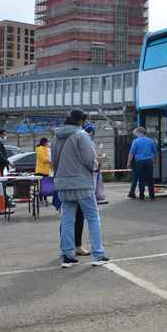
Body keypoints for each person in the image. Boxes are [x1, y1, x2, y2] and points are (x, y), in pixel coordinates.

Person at [52, 109, 109, 268]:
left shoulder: (56, 137)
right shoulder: (81, 135)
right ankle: (98, 254)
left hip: (62, 182)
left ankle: (67, 256)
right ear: (81, 121)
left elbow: (53, 161)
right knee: (92, 217)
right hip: (82, 182)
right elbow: (90, 160)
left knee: (67, 218)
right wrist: (96, 165)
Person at [127, 126, 156, 200]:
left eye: (136, 133)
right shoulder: (150, 140)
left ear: (140, 132)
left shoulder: (136, 141)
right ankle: (152, 196)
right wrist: (154, 160)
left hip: (139, 162)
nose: (135, 135)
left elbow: (131, 153)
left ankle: (141, 196)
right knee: (150, 179)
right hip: (149, 161)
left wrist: (128, 162)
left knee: (141, 179)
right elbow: (154, 152)